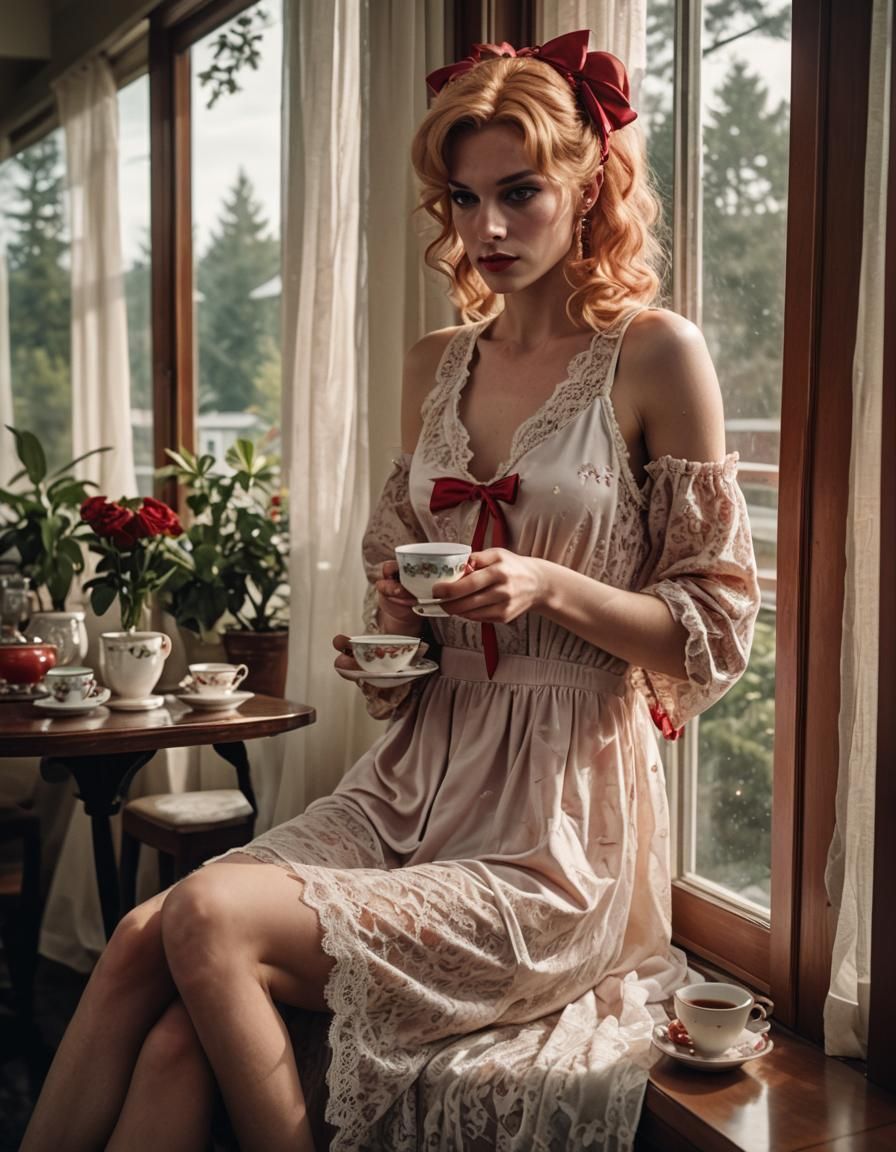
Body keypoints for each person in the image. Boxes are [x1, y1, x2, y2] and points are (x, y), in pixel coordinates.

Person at [22, 30, 760, 1152]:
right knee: (143, 954)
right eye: (463, 199)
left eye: (518, 192)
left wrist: (548, 584)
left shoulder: (655, 353)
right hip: (415, 782)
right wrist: (395, 634)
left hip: (556, 830)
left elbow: (711, 626)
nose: (486, 227)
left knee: (206, 913)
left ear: (588, 184)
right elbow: (400, 604)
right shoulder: (434, 363)